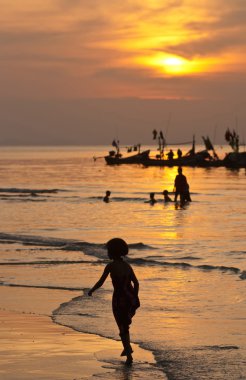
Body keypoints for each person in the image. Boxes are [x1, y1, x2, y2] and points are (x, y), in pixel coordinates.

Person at [88, 238, 140, 365]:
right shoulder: (127, 266)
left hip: (118, 299)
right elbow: (136, 283)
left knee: (122, 326)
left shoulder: (110, 266)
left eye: (108, 250)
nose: (107, 253)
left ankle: (129, 355)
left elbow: (101, 282)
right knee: (125, 325)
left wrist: (91, 290)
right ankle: (127, 348)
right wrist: (134, 297)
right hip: (129, 298)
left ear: (112, 252)